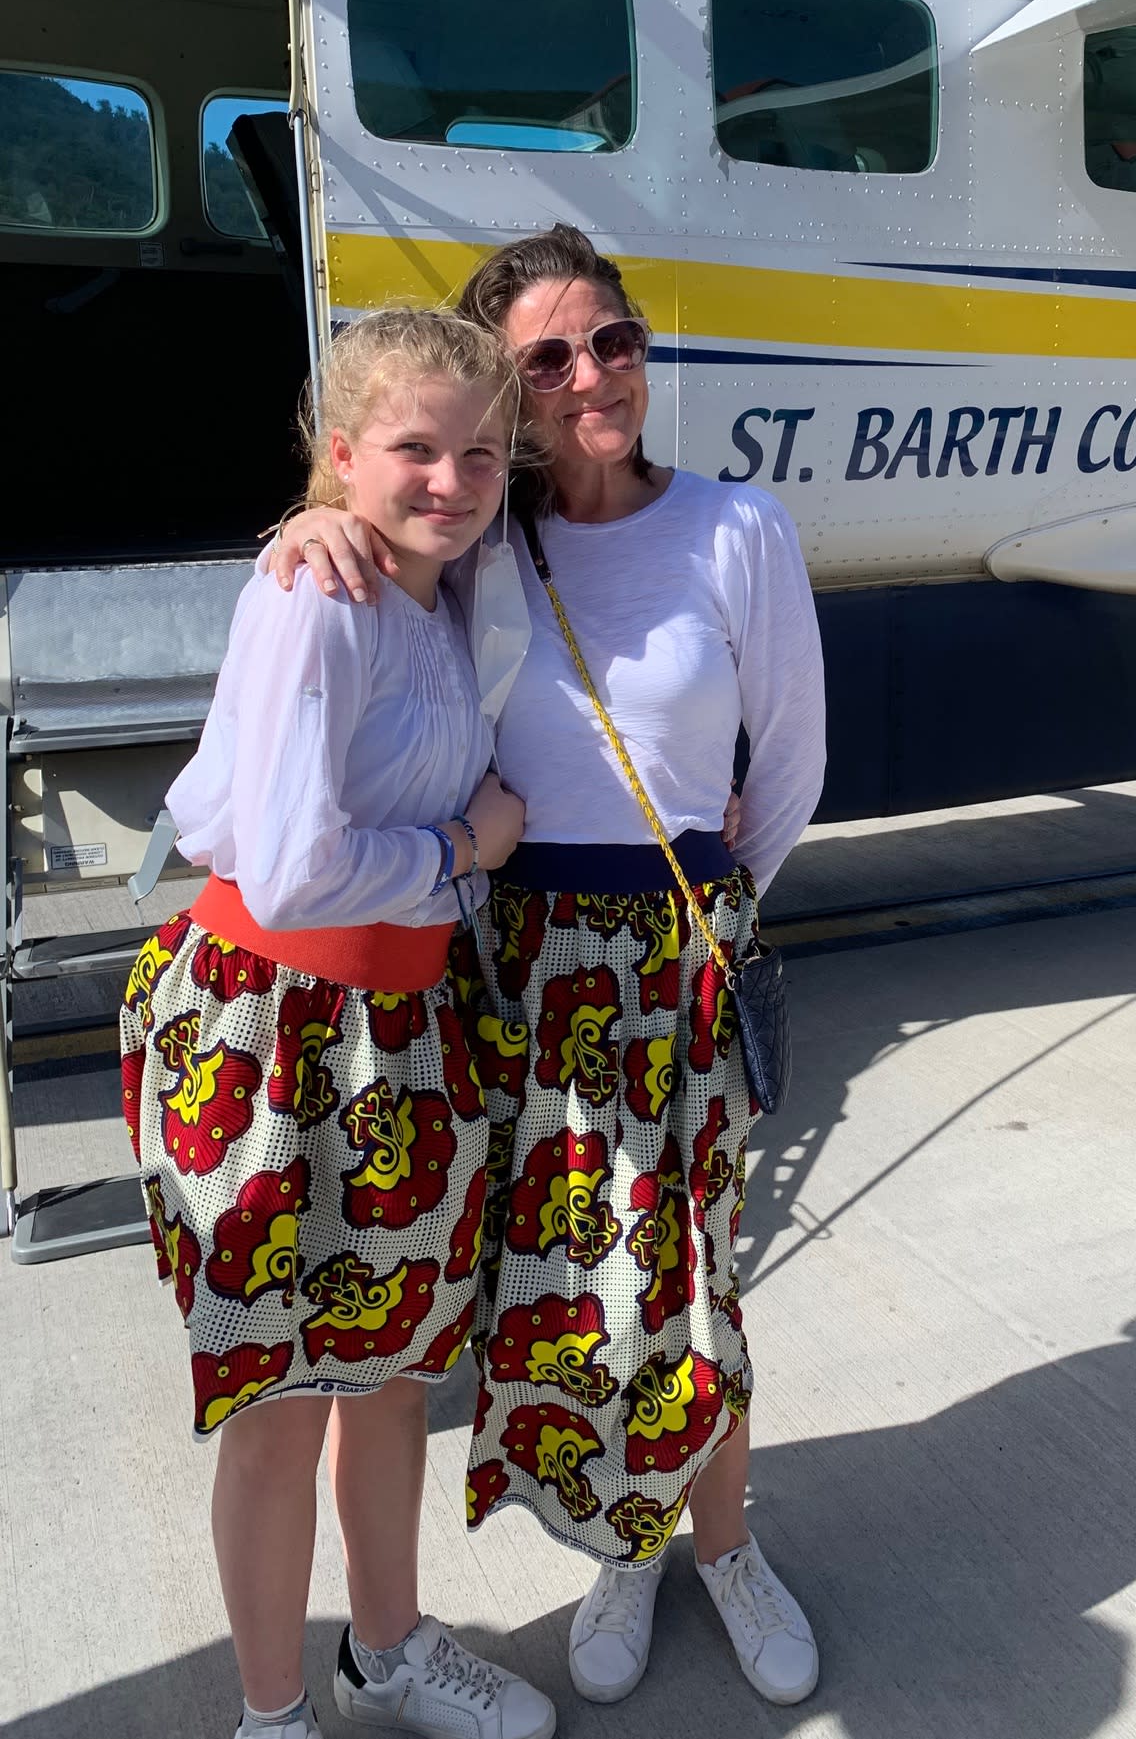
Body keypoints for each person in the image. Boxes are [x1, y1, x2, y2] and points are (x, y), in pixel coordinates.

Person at [271, 224, 827, 1709]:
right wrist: (308, 523)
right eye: (549, 358)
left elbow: (790, 767)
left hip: (675, 938)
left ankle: (723, 1546)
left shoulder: (736, 531)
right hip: (514, 956)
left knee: (697, 1270)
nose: (593, 376)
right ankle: (624, 1539)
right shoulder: (478, 542)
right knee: (574, 1279)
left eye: (614, 341)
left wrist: (705, 916)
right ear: (507, 394)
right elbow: (369, 564)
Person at [120, 310, 558, 1739]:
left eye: (478, 452)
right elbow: (296, 863)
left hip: (402, 1026)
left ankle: (387, 1646)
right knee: (277, 1403)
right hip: (272, 1029)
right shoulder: (316, 594)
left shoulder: (447, 584)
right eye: (414, 448)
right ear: (343, 452)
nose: (449, 477)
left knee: (386, 1378)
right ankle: (272, 1714)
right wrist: (468, 849)